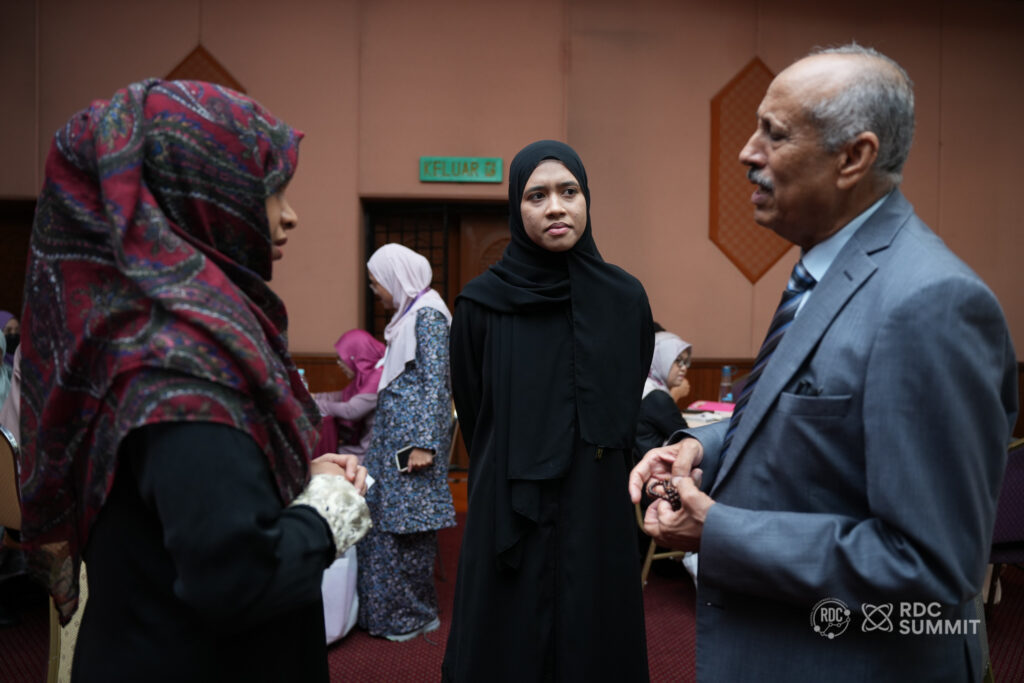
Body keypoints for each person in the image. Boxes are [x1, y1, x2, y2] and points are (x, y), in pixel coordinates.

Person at [630, 45, 1017, 682]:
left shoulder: (931, 302)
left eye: (774, 134)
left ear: (853, 158)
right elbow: (795, 414)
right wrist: (699, 448)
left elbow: (931, 565)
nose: (747, 153)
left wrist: (718, 531)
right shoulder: (824, 273)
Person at [15, 79, 372, 682]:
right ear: (200, 197)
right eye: (270, 192)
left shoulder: (140, 334)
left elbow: (179, 501)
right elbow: (238, 579)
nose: (289, 215)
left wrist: (283, 479)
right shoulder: (183, 369)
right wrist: (326, 513)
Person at [443, 140, 654, 682]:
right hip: (508, 504)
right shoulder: (481, 304)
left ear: (587, 200)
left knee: (594, 634)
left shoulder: (625, 300)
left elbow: (628, 394)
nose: (555, 207)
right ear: (517, 207)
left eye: (569, 191)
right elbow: (475, 411)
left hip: (597, 499)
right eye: (537, 195)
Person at [356, 242, 456, 641]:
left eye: (376, 281)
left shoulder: (429, 315)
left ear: (395, 277)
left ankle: (412, 616)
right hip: (394, 441)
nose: (375, 290)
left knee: (407, 531)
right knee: (382, 525)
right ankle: (383, 614)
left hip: (412, 447)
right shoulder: (409, 315)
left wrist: (425, 444)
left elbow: (436, 385)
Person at [313, 328, 386, 462]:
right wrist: (315, 397)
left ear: (356, 356)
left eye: (342, 359)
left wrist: (314, 404)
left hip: (370, 454)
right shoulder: (367, 375)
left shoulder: (378, 376)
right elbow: (343, 395)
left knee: (323, 458)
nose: (339, 364)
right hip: (364, 447)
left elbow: (351, 410)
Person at [635, 330, 692, 460]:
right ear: (659, 359)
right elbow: (687, 438)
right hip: (651, 468)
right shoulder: (656, 397)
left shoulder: (643, 384)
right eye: (678, 361)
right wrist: (673, 396)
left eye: (686, 362)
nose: (684, 368)